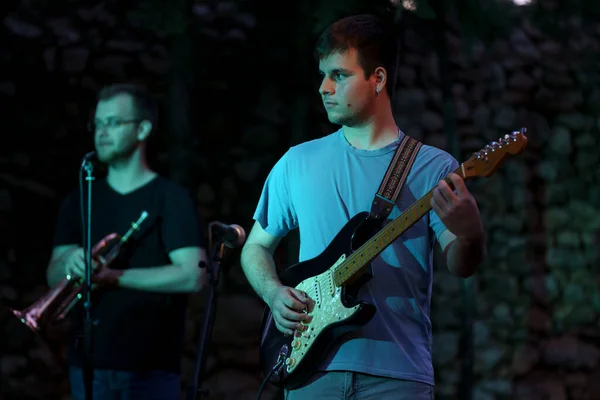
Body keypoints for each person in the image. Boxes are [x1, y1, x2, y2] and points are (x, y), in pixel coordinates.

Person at [240, 14, 486, 399]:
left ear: (379, 79)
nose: (323, 88)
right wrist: (273, 293)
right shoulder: (296, 161)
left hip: (398, 374)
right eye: (322, 75)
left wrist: (471, 233)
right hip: (310, 372)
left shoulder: (434, 167)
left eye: (338, 75)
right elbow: (255, 246)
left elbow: (462, 264)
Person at [46, 83, 208, 400]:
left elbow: (193, 274)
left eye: (114, 123)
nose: (102, 132)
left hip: (151, 366)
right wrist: (71, 263)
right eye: (99, 123)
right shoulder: (80, 197)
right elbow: (53, 275)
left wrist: (112, 277)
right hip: (88, 364)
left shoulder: (170, 199)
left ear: (143, 128)